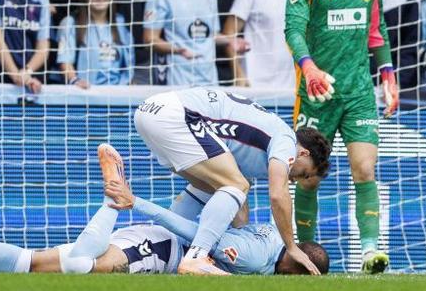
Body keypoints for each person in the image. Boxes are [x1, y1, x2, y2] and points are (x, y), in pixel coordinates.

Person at [0, 144, 329, 275]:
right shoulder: (255, 256)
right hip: (164, 248)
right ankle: (114, 196)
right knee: (80, 263)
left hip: (172, 230)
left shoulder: (278, 235)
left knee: (40, 262)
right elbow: (198, 238)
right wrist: (136, 202)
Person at [284, 0, 399, 274]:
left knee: (364, 168)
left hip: (357, 92)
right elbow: (293, 30)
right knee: (307, 176)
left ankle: (370, 253)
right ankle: (302, 253)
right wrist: (309, 67)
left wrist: (387, 73)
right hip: (317, 92)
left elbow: (376, 31)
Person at [133, 87, 331, 275]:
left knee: (220, 187)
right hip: (177, 115)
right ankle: (196, 255)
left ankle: (163, 240)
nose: (295, 180)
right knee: (235, 185)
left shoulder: (252, 152)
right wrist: (291, 247)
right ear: (303, 153)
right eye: (303, 173)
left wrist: (242, 246)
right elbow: (278, 195)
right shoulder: (287, 142)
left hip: (149, 111)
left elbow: (238, 208)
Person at [57, 0, 134, 87]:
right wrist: (75, 81)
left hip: (118, 94)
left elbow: (129, 64)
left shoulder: (121, 23)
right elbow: (65, 60)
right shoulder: (70, 23)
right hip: (86, 93)